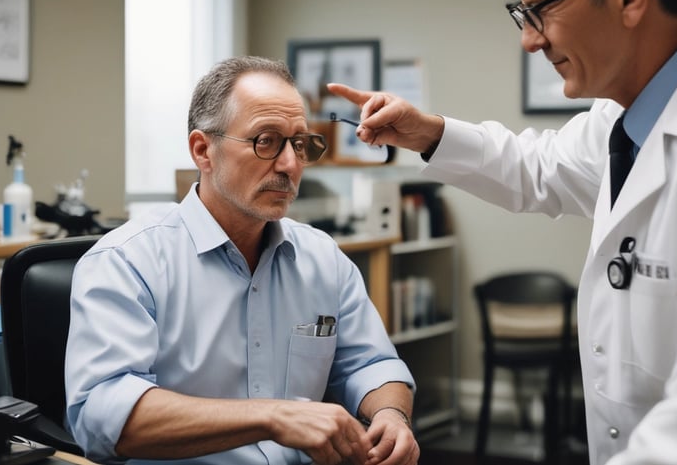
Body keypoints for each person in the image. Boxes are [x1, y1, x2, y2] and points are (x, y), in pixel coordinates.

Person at [326, 0, 677, 464]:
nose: (529, 40)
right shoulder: (624, 119)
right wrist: (428, 133)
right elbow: (538, 168)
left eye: (541, 10)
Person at [65, 56, 419, 465]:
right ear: (203, 150)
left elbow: (372, 363)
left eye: (300, 144)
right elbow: (104, 417)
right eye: (265, 141)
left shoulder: (324, 258)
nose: (289, 165)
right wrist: (271, 416)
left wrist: (392, 416)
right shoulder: (127, 262)